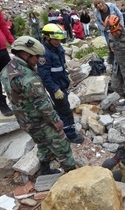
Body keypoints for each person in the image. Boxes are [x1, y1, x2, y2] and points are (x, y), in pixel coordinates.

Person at [0, 36, 76, 175]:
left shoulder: (7, 69)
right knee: (62, 145)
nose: (38, 60)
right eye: (36, 57)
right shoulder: (28, 77)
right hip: (39, 119)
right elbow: (42, 104)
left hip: (24, 119)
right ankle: (73, 175)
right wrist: (56, 120)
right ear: (25, 54)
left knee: (42, 143)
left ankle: (45, 170)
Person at [37, 23, 84, 144]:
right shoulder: (44, 54)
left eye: (59, 39)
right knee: (64, 110)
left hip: (62, 83)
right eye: (56, 39)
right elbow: (45, 76)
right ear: (47, 37)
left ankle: (64, 128)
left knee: (63, 108)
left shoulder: (57, 47)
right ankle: (70, 134)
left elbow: (61, 66)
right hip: (56, 87)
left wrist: (66, 76)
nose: (58, 41)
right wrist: (55, 89)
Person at [0, 11, 14, 116]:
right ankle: (2, 104)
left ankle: (17, 102)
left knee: (11, 76)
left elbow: (3, 26)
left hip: (2, 50)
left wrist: (12, 42)